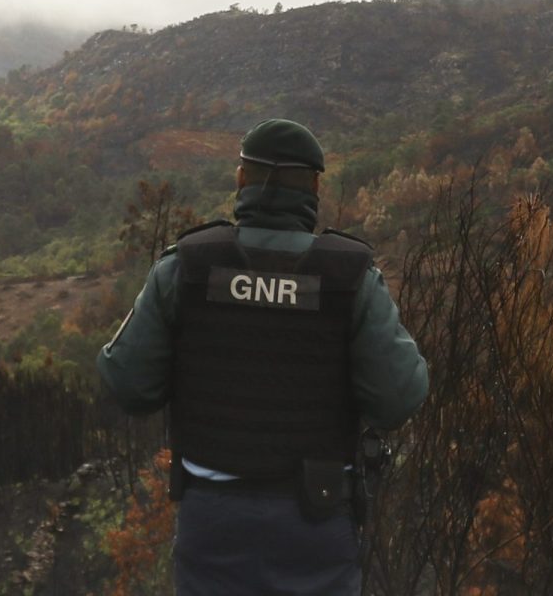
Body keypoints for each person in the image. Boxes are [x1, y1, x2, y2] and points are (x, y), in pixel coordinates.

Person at [99, 118, 429, 596]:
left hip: (211, 516)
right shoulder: (350, 276)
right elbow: (399, 398)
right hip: (315, 516)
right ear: (314, 188)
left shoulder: (186, 267)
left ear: (240, 181)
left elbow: (126, 382)